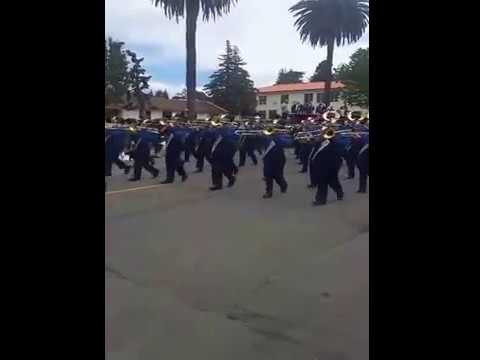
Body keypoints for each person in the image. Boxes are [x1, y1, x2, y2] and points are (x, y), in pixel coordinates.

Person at [310, 128, 344, 206]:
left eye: (324, 134)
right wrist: (312, 139)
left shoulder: (334, 143)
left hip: (331, 167)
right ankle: (323, 199)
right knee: (326, 183)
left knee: (329, 182)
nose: (322, 135)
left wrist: (334, 140)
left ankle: (337, 194)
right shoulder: (321, 142)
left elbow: (340, 153)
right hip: (321, 166)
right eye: (322, 133)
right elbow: (315, 148)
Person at [209, 122, 236, 191]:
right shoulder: (215, 135)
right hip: (215, 155)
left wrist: (229, 156)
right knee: (215, 170)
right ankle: (217, 185)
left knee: (225, 170)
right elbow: (212, 144)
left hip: (224, 156)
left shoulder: (227, 138)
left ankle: (231, 178)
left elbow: (232, 147)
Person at [261, 128, 288, 198]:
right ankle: (269, 192)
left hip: (279, 159)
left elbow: (287, 143)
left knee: (277, 176)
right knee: (268, 175)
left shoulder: (279, 137)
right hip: (268, 159)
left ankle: (283, 185)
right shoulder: (264, 138)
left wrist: (276, 137)